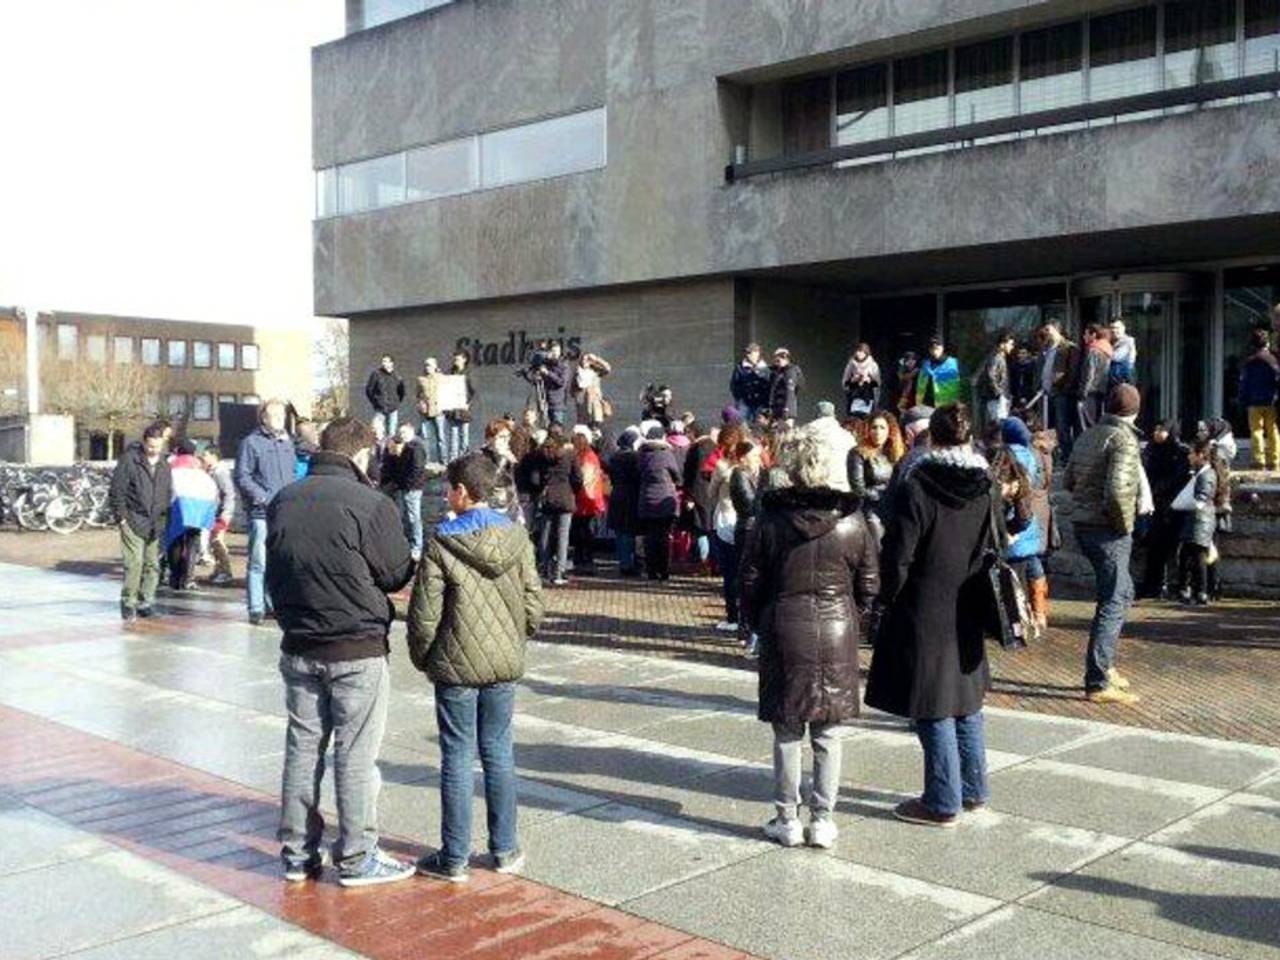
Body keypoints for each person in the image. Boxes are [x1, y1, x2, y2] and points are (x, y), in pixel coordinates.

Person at [267, 417, 416, 887]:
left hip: (300, 641)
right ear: (361, 455)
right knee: (355, 754)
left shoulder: (283, 499)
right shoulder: (370, 503)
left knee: (302, 748)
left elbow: (276, 566)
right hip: (356, 644)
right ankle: (355, 857)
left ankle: (296, 854)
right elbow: (395, 574)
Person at [407, 453, 543, 883]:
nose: (448, 495)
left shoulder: (442, 540)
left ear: (462, 492)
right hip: (503, 661)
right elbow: (533, 601)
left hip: (456, 664)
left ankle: (455, 857)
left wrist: (425, 657)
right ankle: (504, 849)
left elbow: (424, 615)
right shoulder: (517, 537)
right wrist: (518, 636)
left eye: (450, 488)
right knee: (499, 752)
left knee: (457, 756)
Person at [740, 434, 878, 848]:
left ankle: (786, 818)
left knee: (787, 728)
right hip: (836, 625)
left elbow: (749, 578)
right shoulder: (853, 522)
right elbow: (869, 581)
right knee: (828, 732)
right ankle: (823, 819)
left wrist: (758, 618)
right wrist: (857, 616)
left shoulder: (771, 520)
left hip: (785, 621)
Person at [865, 404, 994, 828]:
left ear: (931, 439)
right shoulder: (985, 483)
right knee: (966, 699)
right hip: (968, 599)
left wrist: (885, 596)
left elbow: (900, 553)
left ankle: (942, 800)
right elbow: (996, 544)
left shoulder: (918, 485)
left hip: (924, 601)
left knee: (931, 703)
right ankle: (974, 788)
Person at [1064, 384, 1143, 705]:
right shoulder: (1124, 439)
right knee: (1114, 598)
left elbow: (1068, 480)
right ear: (1134, 410)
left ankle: (1105, 665)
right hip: (1107, 527)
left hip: (1084, 523)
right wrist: (1124, 526)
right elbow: (1117, 491)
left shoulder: (1089, 434)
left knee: (1122, 593)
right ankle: (1097, 679)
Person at [235, 399, 298, 626]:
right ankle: (256, 607)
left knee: (279, 561)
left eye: (282, 415)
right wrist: (262, 497)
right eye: (275, 415)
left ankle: (274, 604)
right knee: (258, 561)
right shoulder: (251, 443)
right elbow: (242, 476)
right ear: (264, 418)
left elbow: (292, 473)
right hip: (262, 513)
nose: (280, 419)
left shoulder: (288, 443)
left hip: (285, 512)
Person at [109, 423, 172, 621]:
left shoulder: (164, 464)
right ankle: (128, 601)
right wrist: (121, 518)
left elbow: (167, 492)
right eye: (150, 446)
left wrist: (164, 517)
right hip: (133, 519)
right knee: (134, 563)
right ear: (144, 442)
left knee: (153, 564)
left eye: (157, 446)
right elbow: (117, 490)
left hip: (156, 522)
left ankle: (147, 601)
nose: (153, 450)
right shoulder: (130, 461)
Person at [1001, 418, 1052, 630]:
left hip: (1013, 519)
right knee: (1034, 566)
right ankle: (1040, 612)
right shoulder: (1034, 454)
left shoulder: (1006, 456)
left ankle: (1016, 621)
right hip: (1030, 516)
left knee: (1012, 578)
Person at [1140, 419, 1190, 599]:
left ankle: (1172, 585)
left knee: (1173, 549)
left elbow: (1179, 478)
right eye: (1155, 429)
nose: (1156, 433)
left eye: (1161, 430)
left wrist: (1159, 489)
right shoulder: (1151, 450)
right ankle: (1153, 584)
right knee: (1153, 548)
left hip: (1172, 507)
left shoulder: (1180, 452)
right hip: (1153, 506)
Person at [1173, 439, 1222, 607]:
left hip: (1201, 521)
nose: (1189, 456)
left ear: (1201, 455)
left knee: (1198, 557)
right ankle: (1188, 590)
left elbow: (1202, 498)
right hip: (1195, 520)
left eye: (1192, 453)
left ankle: (1201, 592)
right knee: (1187, 556)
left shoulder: (1207, 474)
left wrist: (1186, 504)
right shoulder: (1200, 472)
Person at [165, 440, 219, 592]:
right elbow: (212, 491)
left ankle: (175, 577)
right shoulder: (200, 468)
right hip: (199, 508)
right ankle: (188, 578)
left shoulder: (172, 467)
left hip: (178, 505)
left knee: (175, 541)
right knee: (192, 542)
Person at [848, 410, 905, 543]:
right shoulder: (858, 453)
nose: (878, 432)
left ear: (889, 431)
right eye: (874, 427)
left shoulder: (895, 453)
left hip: (893, 509)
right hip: (871, 510)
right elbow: (857, 488)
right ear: (868, 430)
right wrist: (882, 495)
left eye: (882, 428)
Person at [534, 430, 581, 585]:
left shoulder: (542, 456)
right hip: (566, 496)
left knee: (545, 535)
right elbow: (577, 478)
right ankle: (560, 572)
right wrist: (573, 490)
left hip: (548, 497)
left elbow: (537, 478)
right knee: (563, 536)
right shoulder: (570, 456)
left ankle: (543, 568)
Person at [636, 422, 681, 581]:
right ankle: (663, 570)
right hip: (664, 501)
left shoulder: (642, 454)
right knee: (664, 537)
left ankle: (651, 570)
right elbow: (676, 475)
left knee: (650, 537)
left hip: (646, 499)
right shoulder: (666, 454)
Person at [1038, 320, 1082, 461]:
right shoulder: (1048, 348)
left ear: (1057, 330)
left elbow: (1073, 372)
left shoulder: (1069, 348)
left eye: (1049, 330)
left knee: (1063, 427)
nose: (1047, 334)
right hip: (1048, 393)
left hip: (1062, 394)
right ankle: (1058, 456)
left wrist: (1063, 387)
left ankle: (1068, 457)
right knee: (1053, 427)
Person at [604, 427, 643, 576]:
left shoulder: (614, 457)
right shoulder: (635, 458)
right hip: (632, 495)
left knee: (620, 531)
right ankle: (630, 564)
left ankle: (623, 562)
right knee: (630, 531)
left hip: (617, 494)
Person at [1240, 329, 1279, 471]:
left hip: (1254, 402)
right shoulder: (1273, 360)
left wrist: (1243, 399)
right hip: (1271, 401)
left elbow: (1244, 383)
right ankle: (1275, 460)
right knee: (1273, 430)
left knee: (1256, 430)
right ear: (1267, 343)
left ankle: (1258, 460)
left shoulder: (1249, 362)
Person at [682, 421, 719, 573]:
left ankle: (705, 562)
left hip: (700, 493)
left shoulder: (698, 448)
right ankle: (714, 562)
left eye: (688, 433)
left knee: (701, 529)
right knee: (711, 528)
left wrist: (690, 496)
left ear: (693, 432)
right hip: (712, 492)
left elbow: (695, 475)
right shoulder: (714, 446)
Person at [391, 423, 429, 561]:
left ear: (412, 433)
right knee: (408, 517)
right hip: (407, 486)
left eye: (405, 433)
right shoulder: (407, 446)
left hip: (412, 488)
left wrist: (407, 484)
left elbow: (417, 469)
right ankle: (411, 544)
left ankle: (417, 547)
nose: (402, 435)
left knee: (414, 518)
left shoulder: (416, 447)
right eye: (400, 433)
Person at [199, 446, 237, 586]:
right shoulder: (212, 471)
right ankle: (218, 570)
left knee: (217, 541)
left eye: (206, 454)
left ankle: (226, 572)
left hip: (220, 513)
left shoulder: (220, 472)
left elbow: (229, 493)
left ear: (214, 456)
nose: (203, 457)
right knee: (213, 541)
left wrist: (225, 514)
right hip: (213, 512)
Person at [571, 425, 605, 575]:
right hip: (591, 498)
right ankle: (586, 559)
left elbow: (583, 480)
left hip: (583, 498)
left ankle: (582, 559)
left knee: (582, 530)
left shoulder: (583, 457)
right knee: (586, 530)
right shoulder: (592, 456)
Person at [801, 401, 856, 492]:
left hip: (814, 488)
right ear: (833, 415)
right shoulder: (848, 437)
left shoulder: (804, 433)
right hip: (842, 489)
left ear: (816, 414)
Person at [480, 418, 520, 522]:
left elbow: (514, 484)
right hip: (488, 507)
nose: (505, 441)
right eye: (501, 437)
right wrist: (500, 461)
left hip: (508, 506)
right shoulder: (481, 457)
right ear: (490, 439)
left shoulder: (509, 458)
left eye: (508, 437)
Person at [1077, 324, 1114, 431]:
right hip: (1102, 390)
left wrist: (1083, 392)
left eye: (1086, 334)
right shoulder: (1106, 349)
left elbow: (1089, 374)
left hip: (1090, 391)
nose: (1083, 336)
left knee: (1089, 424)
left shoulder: (1093, 350)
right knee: (1098, 422)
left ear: (1093, 335)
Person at [976, 330, 1016, 425]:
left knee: (1000, 424)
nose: (1012, 347)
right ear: (1002, 344)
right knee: (998, 425)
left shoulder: (1000, 357)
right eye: (1010, 344)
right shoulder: (996, 357)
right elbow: (990, 375)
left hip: (1000, 397)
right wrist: (999, 393)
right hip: (996, 398)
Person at [444, 351, 477, 461]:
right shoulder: (450, 372)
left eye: (457, 359)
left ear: (464, 359)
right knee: (453, 437)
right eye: (454, 359)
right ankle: (453, 461)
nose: (455, 361)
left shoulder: (468, 373)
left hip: (463, 409)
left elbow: (473, 390)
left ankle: (464, 460)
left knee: (464, 437)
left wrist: (467, 403)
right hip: (452, 409)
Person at [364, 355, 405, 437]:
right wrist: (376, 402)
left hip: (393, 409)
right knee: (378, 432)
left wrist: (396, 403)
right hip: (380, 409)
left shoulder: (396, 376)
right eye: (383, 361)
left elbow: (402, 392)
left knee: (392, 433)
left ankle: (389, 449)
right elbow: (369, 390)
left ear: (391, 363)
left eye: (386, 361)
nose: (384, 363)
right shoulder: (376, 374)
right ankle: (380, 449)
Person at [416, 357, 447, 464]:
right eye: (426, 365)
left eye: (429, 365)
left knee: (441, 438)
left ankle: (443, 460)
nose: (427, 367)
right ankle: (427, 461)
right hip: (425, 412)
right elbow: (418, 394)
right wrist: (420, 403)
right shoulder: (421, 379)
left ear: (435, 366)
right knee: (425, 437)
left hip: (438, 412)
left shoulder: (441, 378)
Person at [730, 343, 772, 423]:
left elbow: (770, 386)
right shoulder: (740, 367)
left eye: (750, 353)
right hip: (744, 403)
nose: (747, 355)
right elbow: (734, 385)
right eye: (747, 353)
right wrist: (740, 398)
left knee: (760, 424)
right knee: (742, 424)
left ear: (757, 353)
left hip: (761, 403)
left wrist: (766, 401)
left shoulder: (766, 368)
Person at [915, 337, 961, 408]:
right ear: (929, 350)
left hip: (949, 406)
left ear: (942, 348)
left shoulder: (954, 363)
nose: (934, 350)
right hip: (927, 405)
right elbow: (920, 385)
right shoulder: (925, 365)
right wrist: (918, 403)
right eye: (931, 348)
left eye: (937, 348)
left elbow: (963, 383)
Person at [841, 343, 881, 419]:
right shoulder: (851, 364)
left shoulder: (873, 365)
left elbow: (877, 383)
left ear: (866, 353)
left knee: (866, 418)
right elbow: (845, 382)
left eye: (861, 352)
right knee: (853, 418)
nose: (858, 354)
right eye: (857, 351)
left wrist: (868, 379)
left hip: (868, 396)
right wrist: (854, 380)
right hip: (854, 395)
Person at [574, 352, 613, 429]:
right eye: (583, 359)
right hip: (583, 406)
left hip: (595, 405)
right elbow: (572, 390)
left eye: (587, 360)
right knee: (584, 427)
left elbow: (608, 368)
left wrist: (596, 359)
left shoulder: (595, 372)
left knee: (596, 427)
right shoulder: (577, 372)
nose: (585, 361)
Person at [768, 348, 804, 425]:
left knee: (786, 431)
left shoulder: (792, 370)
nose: (781, 360)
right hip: (776, 408)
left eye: (783, 358)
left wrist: (787, 408)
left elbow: (793, 390)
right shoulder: (774, 372)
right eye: (778, 359)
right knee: (775, 433)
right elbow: (772, 390)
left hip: (787, 408)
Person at [541, 343, 572, 428]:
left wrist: (548, 373)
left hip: (557, 404)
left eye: (557, 351)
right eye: (553, 351)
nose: (555, 353)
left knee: (557, 429)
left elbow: (562, 382)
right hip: (544, 402)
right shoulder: (546, 364)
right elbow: (538, 381)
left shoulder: (564, 365)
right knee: (545, 428)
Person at [1009, 342, 1038, 415]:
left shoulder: (1033, 366)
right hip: (1017, 396)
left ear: (1028, 354)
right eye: (1020, 353)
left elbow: (1034, 381)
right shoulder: (1014, 366)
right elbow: (1012, 382)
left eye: (1024, 353)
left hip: (1030, 396)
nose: (1021, 355)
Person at [1108, 318, 1137, 386]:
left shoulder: (1128, 341)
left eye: (1117, 328)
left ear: (1124, 328)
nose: (1114, 330)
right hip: (1114, 380)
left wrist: (1103, 348)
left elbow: (1116, 357)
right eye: (1112, 328)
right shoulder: (1112, 342)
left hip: (1124, 381)